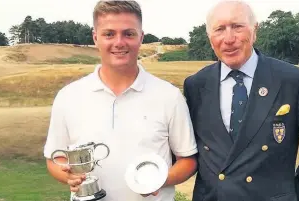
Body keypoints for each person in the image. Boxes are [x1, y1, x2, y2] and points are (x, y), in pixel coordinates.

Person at [183, 1, 299, 201]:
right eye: (219, 29)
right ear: (210, 38)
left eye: (237, 26)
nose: (229, 38)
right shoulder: (195, 85)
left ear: (254, 30)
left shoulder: (290, 80)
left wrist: (295, 192)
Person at [43, 1, 198, 201]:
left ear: (141, 37)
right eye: (109, 34)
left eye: (128, 33)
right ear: (95, 37)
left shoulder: (169, 96)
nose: (119, 42)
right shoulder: (68, 97)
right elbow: (55, 159)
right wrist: (69, 177)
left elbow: (188, 160)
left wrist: (160, 179)